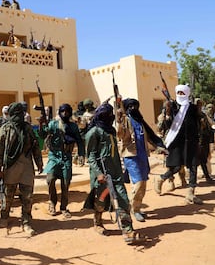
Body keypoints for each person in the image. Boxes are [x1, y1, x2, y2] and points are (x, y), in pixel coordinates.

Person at [85, 103, 146, 244]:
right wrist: (98, 173)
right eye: (107, 115)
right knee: (100, 201)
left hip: (115, 173)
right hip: (102, 176)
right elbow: (91, 157)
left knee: (122, 200)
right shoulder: (93, 133)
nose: (110, 117)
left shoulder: (111, 130)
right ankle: (97, 222)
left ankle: (127, 230)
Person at [0, 102, 43, 235]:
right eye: (17, 114)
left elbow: (36, 147)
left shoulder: (28, 129)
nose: (19, 116)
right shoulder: (5, 129)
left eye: (21, 114)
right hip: (10, 167)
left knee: (28, 196)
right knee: (7, 196)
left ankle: (26, 221)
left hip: (26, 166)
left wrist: (39, 163)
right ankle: (4, 216)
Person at [117, 98, 168, 222]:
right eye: (131, 106)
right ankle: (130, 209)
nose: (133, 108)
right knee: (138, 182)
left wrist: (160, 146)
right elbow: (120, 135)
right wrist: (119, 120)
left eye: (135, 106)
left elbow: (150, 135)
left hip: (143, 155)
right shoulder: (125, 120)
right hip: (131, 156)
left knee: (143, 183)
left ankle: (137, 208)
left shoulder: (140, 121)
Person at [154, 85, 203, 205]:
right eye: (179, 92)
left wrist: (199, 109)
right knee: (175, 167)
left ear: (187, 93)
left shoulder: (191, 108)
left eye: (183, 92)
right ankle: (161, 179)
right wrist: (168, 112)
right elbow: (167, 125)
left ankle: (191, 193)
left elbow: (198, 121)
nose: (181, 94)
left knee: (193, 167)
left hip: (191, 142)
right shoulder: (173, 106)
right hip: (176, 142)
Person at [40, 103, 84, 218]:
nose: (65, 114)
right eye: (63, 111)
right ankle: (52, 203)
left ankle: (64, 207)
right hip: (54, 156)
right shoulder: (53, 124)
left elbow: (79, 140)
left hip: (66, 156)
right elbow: (43, 135)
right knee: (50, 179)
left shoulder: (73, 126)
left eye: (67, 112)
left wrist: (81, 154)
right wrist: (41, 124)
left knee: (65, 183)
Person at [194, 99, 215, 182]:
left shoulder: (203, 115)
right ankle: (193, 179)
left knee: (204, 159)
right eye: (198, 104)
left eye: (200, 104)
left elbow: (209, 127)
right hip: (196, 141)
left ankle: (207, 176)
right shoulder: (192, 115)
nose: (199, 106)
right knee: (195, 161)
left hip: (204, 140)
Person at [205, 103, 215, 176]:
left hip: (211, 139)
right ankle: (208, 172)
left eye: (211, 108)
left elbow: (214, 128)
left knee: (209, 156)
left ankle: (208, 172)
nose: (210, 109)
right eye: (209, 108)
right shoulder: (204, 116)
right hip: (205, 139)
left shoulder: (212, 118)